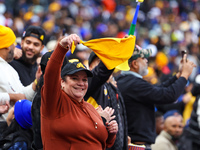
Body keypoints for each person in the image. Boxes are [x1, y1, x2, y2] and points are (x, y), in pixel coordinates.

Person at [41, 34, 118, 149]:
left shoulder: (90, 108)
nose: (81, 83)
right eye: (74, 78)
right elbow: (51, 74)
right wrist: (62, 46)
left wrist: (111, 133)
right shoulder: (55, 102)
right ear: (62, 82)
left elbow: (102, 142)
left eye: (84, 80)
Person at [115, 45, 196, 150]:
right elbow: (168, 95)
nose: (147, 61)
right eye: (143, 59)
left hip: (134, 143)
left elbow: (157, 89)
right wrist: (185, 75)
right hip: (137, 145)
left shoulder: (125, 80)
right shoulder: (134, 84)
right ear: (134, 64)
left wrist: (178, 76)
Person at [85, 51, 128, 150]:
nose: (104, 64)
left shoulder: (113, 88)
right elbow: (101, 72)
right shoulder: (89, 83)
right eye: (100, 61)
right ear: (90, 66)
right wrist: (115, 50)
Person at [0, 25, 38, 122]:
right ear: (7, 46)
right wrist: (12, 97)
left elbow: (22, 95)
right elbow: (17, 96)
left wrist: (36, 82)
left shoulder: (9, 68)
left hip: (14, 131)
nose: (15, 47)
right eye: (13, 43)